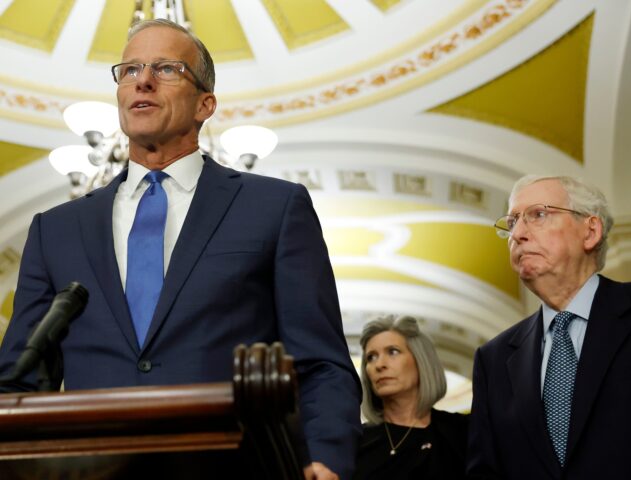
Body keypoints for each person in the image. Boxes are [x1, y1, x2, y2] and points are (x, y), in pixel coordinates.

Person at [0, 19, 361, 480]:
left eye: (167, 69)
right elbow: (18, 379)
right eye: (129, 70)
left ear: (205, 105)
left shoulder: (274, 207)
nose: (143, 80)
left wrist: (326, 459)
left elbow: (320, 363)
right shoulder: (55, 230)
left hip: (236, 466)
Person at [467, 175, 631, 479]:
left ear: (590, 231)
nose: (518, 233)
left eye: (538, 215)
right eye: (512, 222)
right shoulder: (493, 359)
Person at [354, 315, 468, 480]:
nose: (379, 365)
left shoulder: (462, 432)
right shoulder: (355, 443)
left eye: (393, 351)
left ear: (421, 360)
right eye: (371, 357)